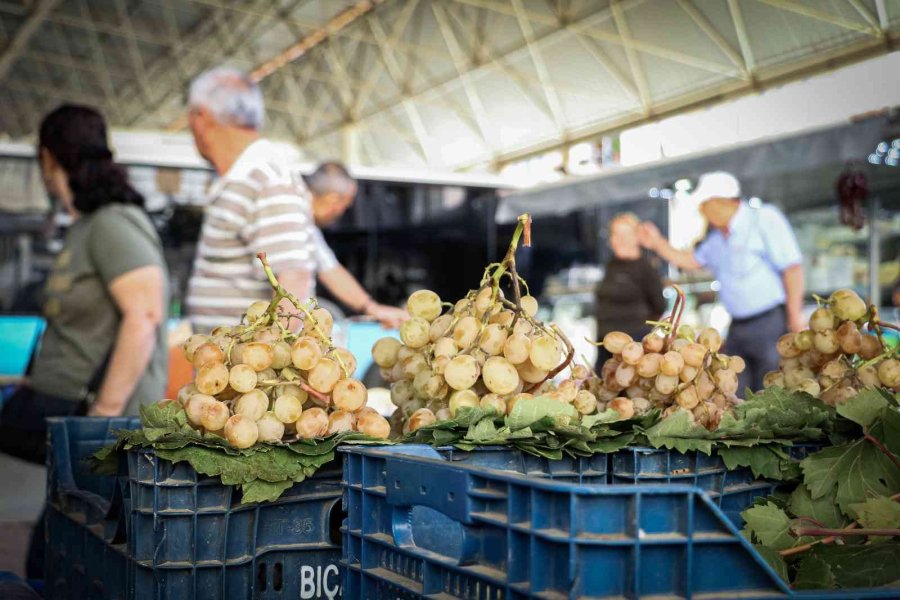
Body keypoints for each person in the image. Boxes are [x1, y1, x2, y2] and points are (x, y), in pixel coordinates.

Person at [0, 105, 169, 464]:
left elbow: (144, 315)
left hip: (102, 427)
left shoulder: (113, 222)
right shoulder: (85, 225)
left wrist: (101, 418)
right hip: (70, 416)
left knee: (85, 518)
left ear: (47, 158)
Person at [184, 68, 406, 331]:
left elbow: (295, 276)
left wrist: (275, 360)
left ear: (201, 117)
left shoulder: (264, 178)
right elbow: (322, 263)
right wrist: (371, 307)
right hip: (229, 364)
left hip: (244, 366)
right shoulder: (255, 175)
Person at [638, 171, 804, 393]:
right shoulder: (717, 239)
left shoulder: (764, 218)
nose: (703, 212)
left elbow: (792, 268)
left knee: (772, 390)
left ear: (718, 202)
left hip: (770, 323)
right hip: (737, 326)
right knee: (735, 392)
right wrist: (657, 243)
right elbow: (690, 261)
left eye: (704, 206)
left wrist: (794, 317)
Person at [304, 162, 407, 328]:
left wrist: (372, 308)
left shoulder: (306, 225)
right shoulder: (293, 220)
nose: (341, 213)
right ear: (332, 200)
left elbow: (330, 269)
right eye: (344, 207)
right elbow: (290, 274)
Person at [594, 213, 666, 371]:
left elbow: (659, 306)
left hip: (633, 351)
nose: (619, 239)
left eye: (624, 234)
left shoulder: (646, 269)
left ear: (636, 237)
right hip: (605, 347)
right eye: (615, 234)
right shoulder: (611, 265)